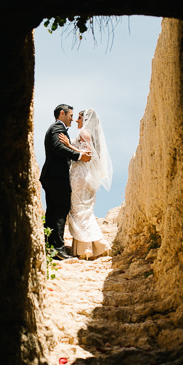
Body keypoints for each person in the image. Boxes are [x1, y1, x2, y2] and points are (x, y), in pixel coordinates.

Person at [58, 109, 113, 259]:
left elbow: (87, 155)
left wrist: (69, 145)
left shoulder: (84, 133)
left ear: (86, 119)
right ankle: (93, 247)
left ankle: (88, 248)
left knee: (78, 211)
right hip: (87, 176)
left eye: (79, 118)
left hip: (80, 175)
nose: (77, 120)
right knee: (85, 211)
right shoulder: (93, 136)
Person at [40, 104, 91, 260]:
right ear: (62, 113)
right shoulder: (57, 128)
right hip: (57, 176)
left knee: (53, 211)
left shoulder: (56, 128)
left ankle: (49, 246)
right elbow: (57, 148)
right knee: (62, 209)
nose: (72, 119)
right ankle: (59, 250)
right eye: (70, 115)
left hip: (51, 176)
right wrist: (79, 156)